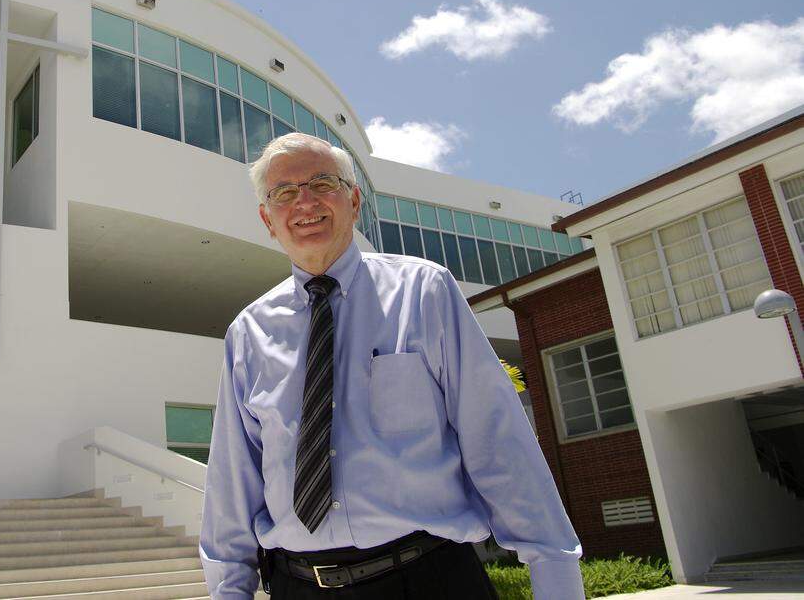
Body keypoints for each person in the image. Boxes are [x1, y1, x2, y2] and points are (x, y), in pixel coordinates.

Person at [199, 133, 583, 599]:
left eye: (323, 183)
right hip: (298, 586)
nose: (305, 202)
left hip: (429, 579)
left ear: (354, 201)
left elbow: (500, 443)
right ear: (268, 219)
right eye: (284, 192)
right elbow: (232, 481)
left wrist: (557, 583)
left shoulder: (424, 292)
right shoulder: (248, 333)